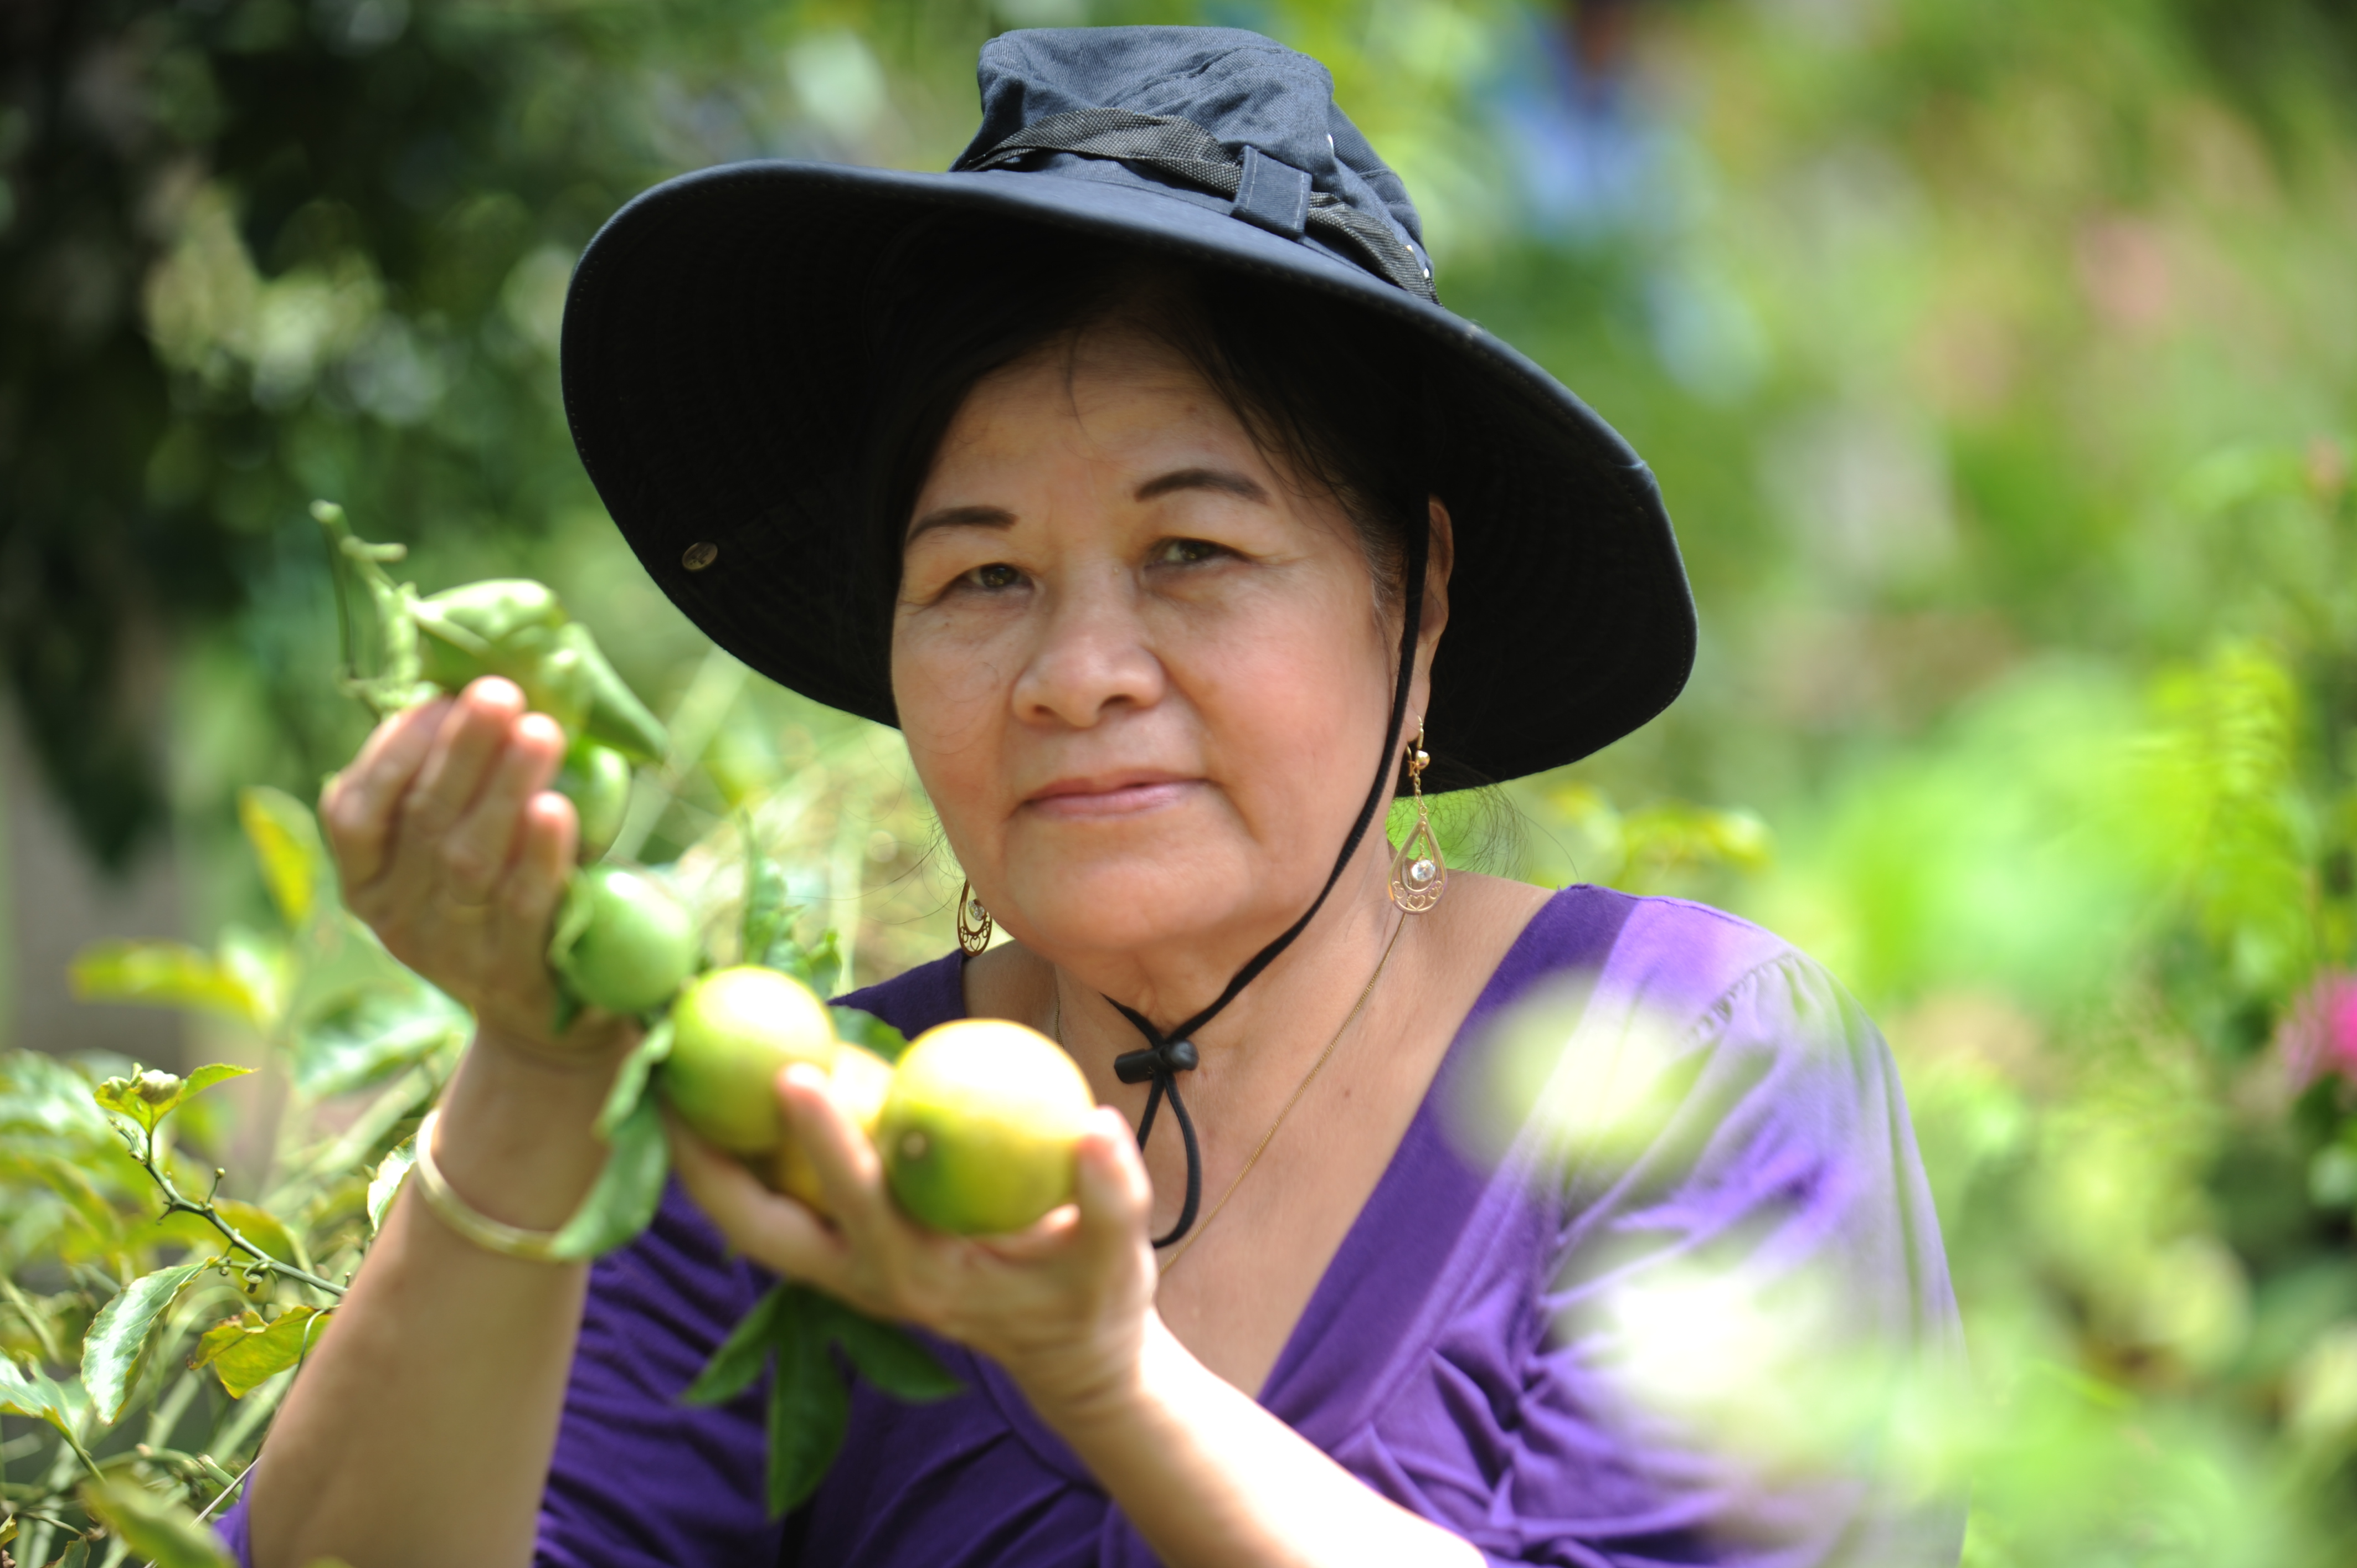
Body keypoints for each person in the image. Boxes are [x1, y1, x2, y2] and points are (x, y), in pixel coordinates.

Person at [225, 25, 1964, 1568]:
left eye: (1193, 551)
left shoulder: (1680, 1065)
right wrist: (533, 1072)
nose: (1078, 672)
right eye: (980, 579)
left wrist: (1104, 1377)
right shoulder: (796, 1154)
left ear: (1416, 600)